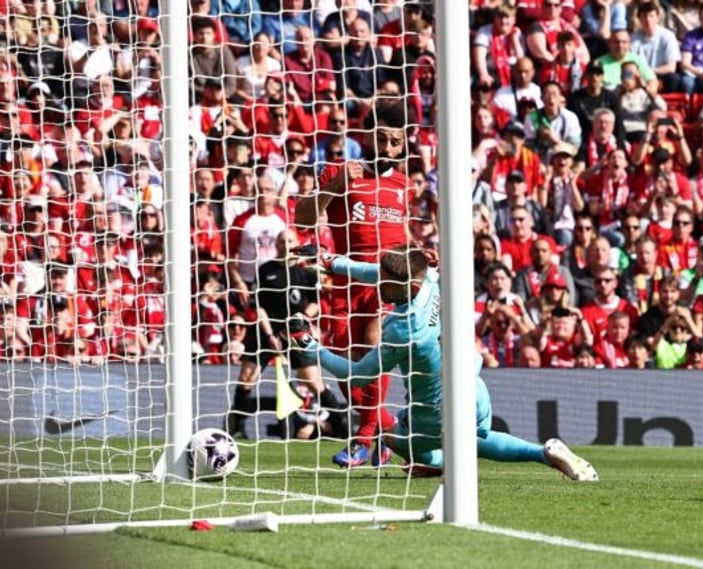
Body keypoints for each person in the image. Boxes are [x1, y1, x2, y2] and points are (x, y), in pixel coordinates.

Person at [288, 246, 598, 481]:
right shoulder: (431, 280)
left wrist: (313, 347)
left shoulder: (403, 330)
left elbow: (357, 376)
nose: (378, 285)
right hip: (474, 387)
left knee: (400, 440)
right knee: (476, 440)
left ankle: (432, 459)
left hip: (434, 411)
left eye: (386, 282)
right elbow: (376, 272)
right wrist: (330, 261)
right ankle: (542, 452)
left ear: (407, 286)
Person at [294, 99, 412, 468]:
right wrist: (334, 186)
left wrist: (417, 255)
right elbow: (303, 217)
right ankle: (387, 429)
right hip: (345, 281)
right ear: (366, 137)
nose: (390, 149)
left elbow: (402, 234)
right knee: (346, 365)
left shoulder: (401, 182)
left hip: (386, 282)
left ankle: (362, 439)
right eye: (383, 139)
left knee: (376, 345)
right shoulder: (340, 170)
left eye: (396, 142)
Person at [226, 228, 347, 439]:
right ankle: (237, 427)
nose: (285, 244)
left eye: (289, 240)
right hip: (266, 332)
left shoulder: (307, 272)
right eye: (281, 240)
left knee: (311, 380)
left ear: (297, 243)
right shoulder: (265, 270)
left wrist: (301, 318)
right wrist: (270, 336)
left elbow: (315, 305)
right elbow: (259, 307)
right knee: (247, 377)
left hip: (295, 332)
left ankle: (340, 424)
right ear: (276, 244)